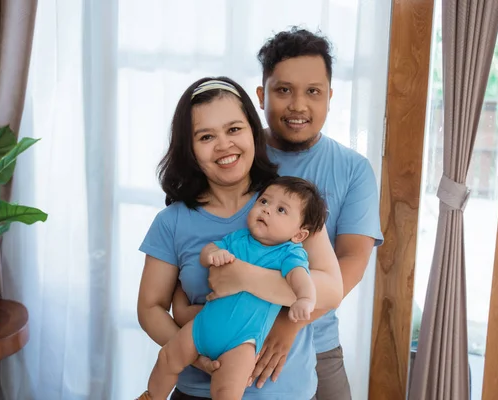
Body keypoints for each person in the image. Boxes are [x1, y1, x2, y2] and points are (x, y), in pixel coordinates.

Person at [192, 28, 384, 400]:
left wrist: (289, 322)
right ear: (262, 96)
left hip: (313, 340)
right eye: (283, 90)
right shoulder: (236, 154)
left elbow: (352, 262)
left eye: (313, 91)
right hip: (226, 332)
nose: (298, 105)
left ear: (330, 96)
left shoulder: (353, 168)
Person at [136, 76, 343, 400]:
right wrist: (195, 354)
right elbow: (151, 307)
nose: (224, 145)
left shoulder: (289, 202)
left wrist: (243, 277)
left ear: (252, 130)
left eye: (234, 129)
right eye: (206, 136)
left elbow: (331, 289)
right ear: (189, 148)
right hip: (196, 391)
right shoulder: (171, 222)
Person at [139, 176, 326, 400]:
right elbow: (209, 250)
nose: (266, 210)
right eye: (264, 202)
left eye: (281, 210)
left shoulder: (289, 254)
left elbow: (301, 279)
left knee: (226, 390)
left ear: (299, 234)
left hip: (242, 341)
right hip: (201, 328)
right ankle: (151, 396)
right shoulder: (239, 238)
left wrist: (305, 299)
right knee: (167, 358)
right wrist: (212, 255)